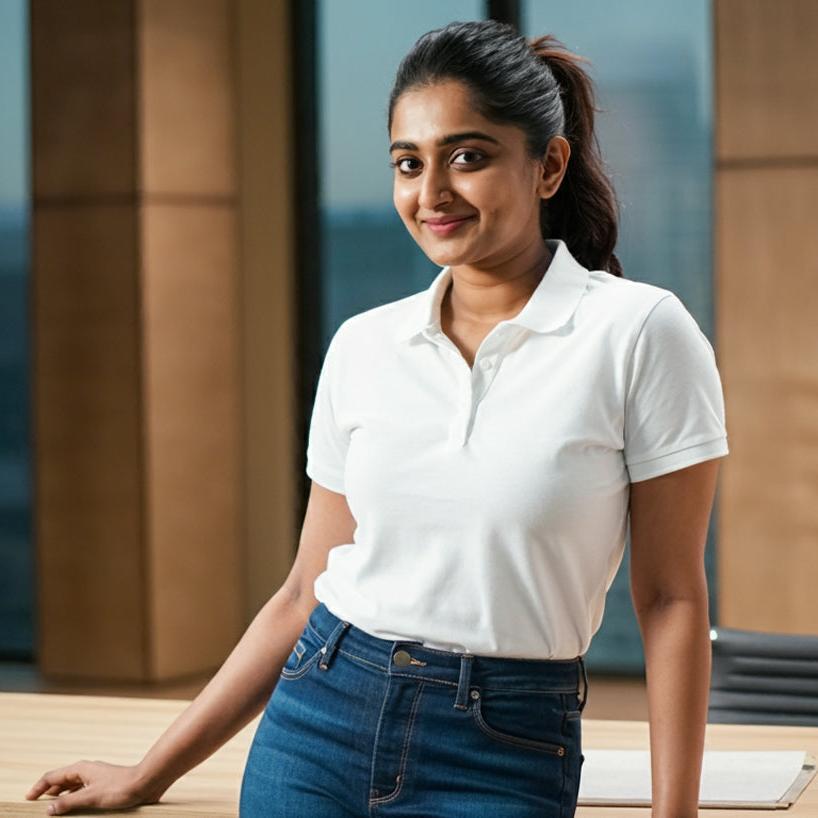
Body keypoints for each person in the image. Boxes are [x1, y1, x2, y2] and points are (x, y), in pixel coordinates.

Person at [24, 19, 728, 818]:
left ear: (549, 165)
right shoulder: (364, 346)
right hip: (321, 718)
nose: (431, 194)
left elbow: (672, 599)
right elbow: (301, 594)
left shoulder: (641, 333)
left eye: (468, 156)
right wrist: (149, 774)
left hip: (506, 745)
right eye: (408, 163)